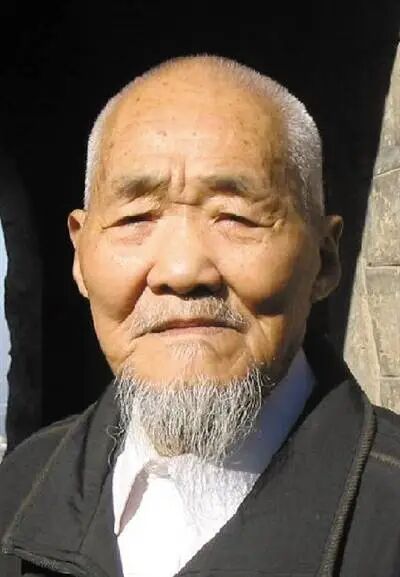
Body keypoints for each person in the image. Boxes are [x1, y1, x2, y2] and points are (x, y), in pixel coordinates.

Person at [1, 55, 399, 577]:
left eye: (235, 217)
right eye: (135, 218)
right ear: (79, 257)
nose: (183, 270)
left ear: (323, 259)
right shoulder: (19, 491)